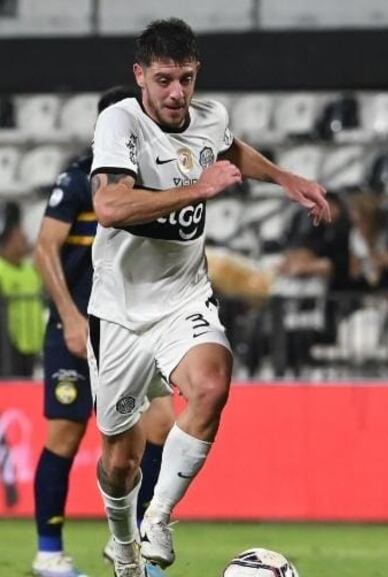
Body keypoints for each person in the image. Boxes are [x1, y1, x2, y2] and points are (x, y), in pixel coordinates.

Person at [87, 18, 329, 577]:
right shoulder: (118, 121)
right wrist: (199, 188)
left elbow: (229, 148)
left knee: (213, 384)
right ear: (140, 76)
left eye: (187, 79)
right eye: (165, 79)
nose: (177, 93)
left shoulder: (210, 115)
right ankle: (123, 547)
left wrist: (286, 179)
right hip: (120, 311)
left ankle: (160, 518)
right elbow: (111, 208)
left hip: (183, 298)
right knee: (119, 463)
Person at [31, 87, 176, 577]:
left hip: (132, 328)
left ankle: (129, 545)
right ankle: (49, 551)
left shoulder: (155, 179)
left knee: (159, 428)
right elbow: (45, 249)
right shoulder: (77, 181)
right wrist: (71, 318)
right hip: (77, 326)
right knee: (65, 437)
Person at [0, 202, 44, 377]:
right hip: (7, 346)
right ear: (8, 239)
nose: (26, 239)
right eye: (20, 236)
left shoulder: (30, 270)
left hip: (31, 343)